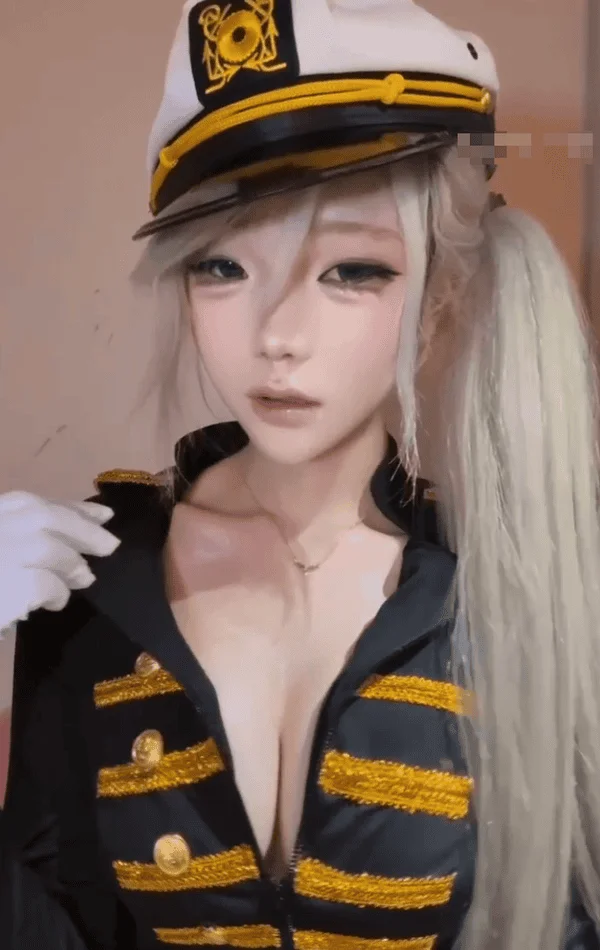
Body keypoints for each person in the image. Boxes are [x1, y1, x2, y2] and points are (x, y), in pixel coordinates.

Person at [1, 2, 599, 950]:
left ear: (439, 299)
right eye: (222, 266)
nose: (276, 336)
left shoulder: (513, 586)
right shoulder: (91, 581)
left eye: (352, 271)